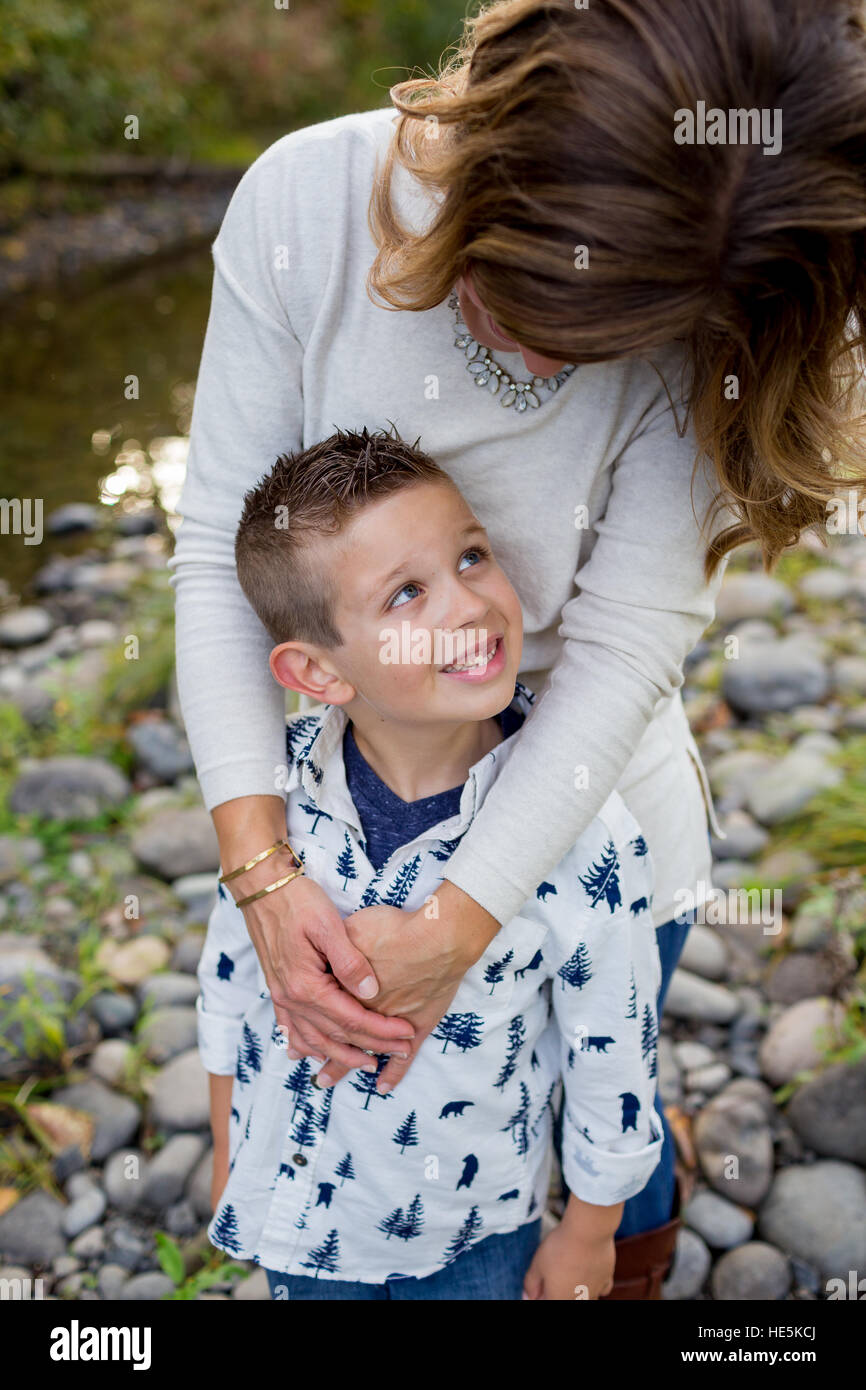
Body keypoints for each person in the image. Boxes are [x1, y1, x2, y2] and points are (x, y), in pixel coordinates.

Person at [169, 0, 866, 1296]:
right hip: (350, 812)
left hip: (595, 821)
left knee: (601, 1087)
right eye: (520, 288)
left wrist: (461, 917)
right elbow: (220, 546)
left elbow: (619, 645)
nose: (543, 349)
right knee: (450, 1115)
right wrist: (262, 873)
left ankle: (632, 1232)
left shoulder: (732, 286)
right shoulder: (304, 207)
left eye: (604, 336)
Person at [197, 426, 663, 1300]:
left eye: (472, 556)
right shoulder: (274, 804)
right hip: (302, 1220)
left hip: (476, 1236)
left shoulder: (586, 833)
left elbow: (613, 1048)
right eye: (407, 593)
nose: (468, 605)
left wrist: (590, 1232)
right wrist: (230, 1153)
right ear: (317, 671)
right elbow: (233, 985)